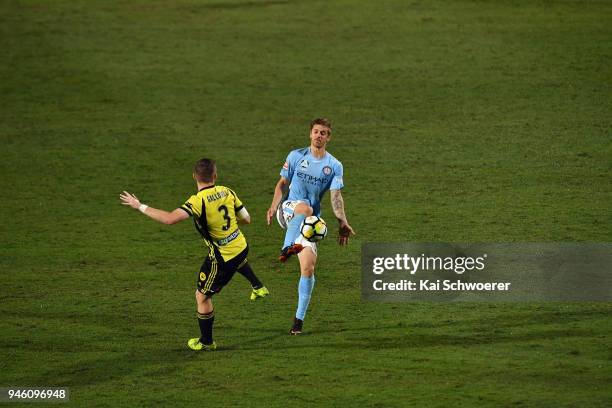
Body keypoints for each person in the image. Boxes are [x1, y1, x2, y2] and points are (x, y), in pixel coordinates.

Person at [120, 158, 269, 351]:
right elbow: (247, 219)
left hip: (222, 257)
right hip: (241, 244)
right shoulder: (227, 191)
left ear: (194, 177)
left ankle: (206, 342)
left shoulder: (197, 201)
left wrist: (139, 205)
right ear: (215, 175)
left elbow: (169, 219)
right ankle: (258, 286)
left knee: (201, 296)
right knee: (238, 257)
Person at [266, 118, 355, 335]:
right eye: (316, 132)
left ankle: (298, 321)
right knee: (304, 207)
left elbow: (336, 196)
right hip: (288, 210)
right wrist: (272, 207)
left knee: (308, 268)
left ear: (329, 137)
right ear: (310, 134)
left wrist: (342, 221)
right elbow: (282, 184)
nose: (319, 136)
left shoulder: (334, 166)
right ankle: (287, 247)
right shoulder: (296, 156)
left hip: (308, 223)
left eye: (323, 133)